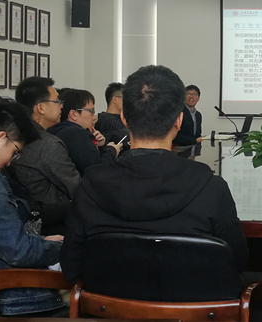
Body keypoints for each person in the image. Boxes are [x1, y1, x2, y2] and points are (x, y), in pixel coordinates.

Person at [60, 65, 248, 284]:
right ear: (178, 121)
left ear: (124, 118)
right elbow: (237, 262)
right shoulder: (211, 187)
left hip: (108, 301)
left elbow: (71, 265)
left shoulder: (91, 185)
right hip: (193, 301)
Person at [0, 100, 66, 317]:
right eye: (15, 152)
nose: (10, 162)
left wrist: (40, 241)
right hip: (11, 299)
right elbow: (18, 251)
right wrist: (66, 248)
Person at [5, 77, 81, 235]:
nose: (61, 106)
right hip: (52, 225)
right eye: (57, 101)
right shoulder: (47, 144)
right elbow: (77, 188)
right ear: (41, 108)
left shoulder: (13, 134)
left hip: (23, 221)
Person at [48, 88, 120, 176]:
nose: (94, 117)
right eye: (91, 111)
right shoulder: (75, 133)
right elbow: (96, 170)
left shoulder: (57, 130)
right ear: (73, 114)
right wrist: (111, 150)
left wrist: (98, 146)